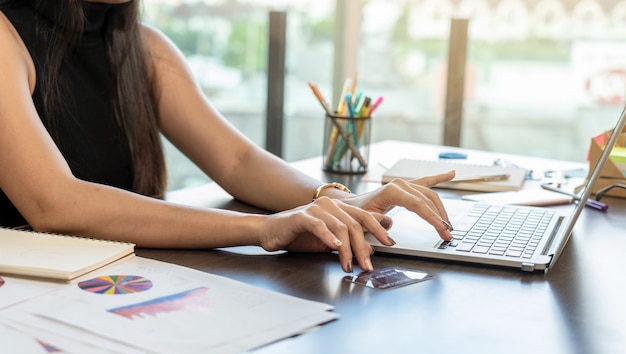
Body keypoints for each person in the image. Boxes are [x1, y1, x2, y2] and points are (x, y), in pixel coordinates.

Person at [0, 0, 454, 274]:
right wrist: (263, 229)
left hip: (99, 283)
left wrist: (336, 199)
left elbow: (236, 161)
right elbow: (55, 204)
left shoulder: (144, 47)